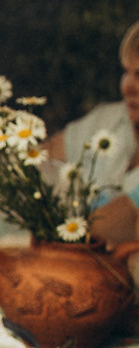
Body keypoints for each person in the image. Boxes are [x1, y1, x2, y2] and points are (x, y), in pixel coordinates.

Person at [47, 19, 139, 243]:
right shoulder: (110, 120)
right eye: (126, 72)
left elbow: (103, 230)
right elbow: (36, 159)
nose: (127, 86)